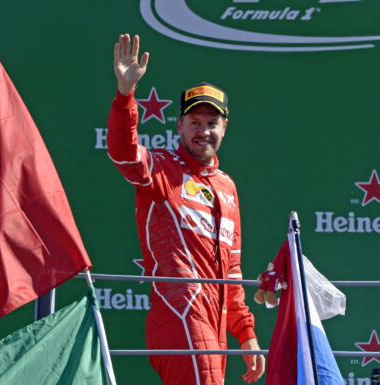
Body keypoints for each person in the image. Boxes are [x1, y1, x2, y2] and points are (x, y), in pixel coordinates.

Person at [107, 34, 265, 385]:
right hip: (179, 311)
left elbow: (233, 273)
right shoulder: (163, 167)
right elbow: (123, 153)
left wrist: (246, 333)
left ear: (225, 128)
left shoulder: (227, 186)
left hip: (215, 322)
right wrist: (125, 95)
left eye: (211, 123)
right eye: (194, 122)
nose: (203, 131)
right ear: (179, 126)